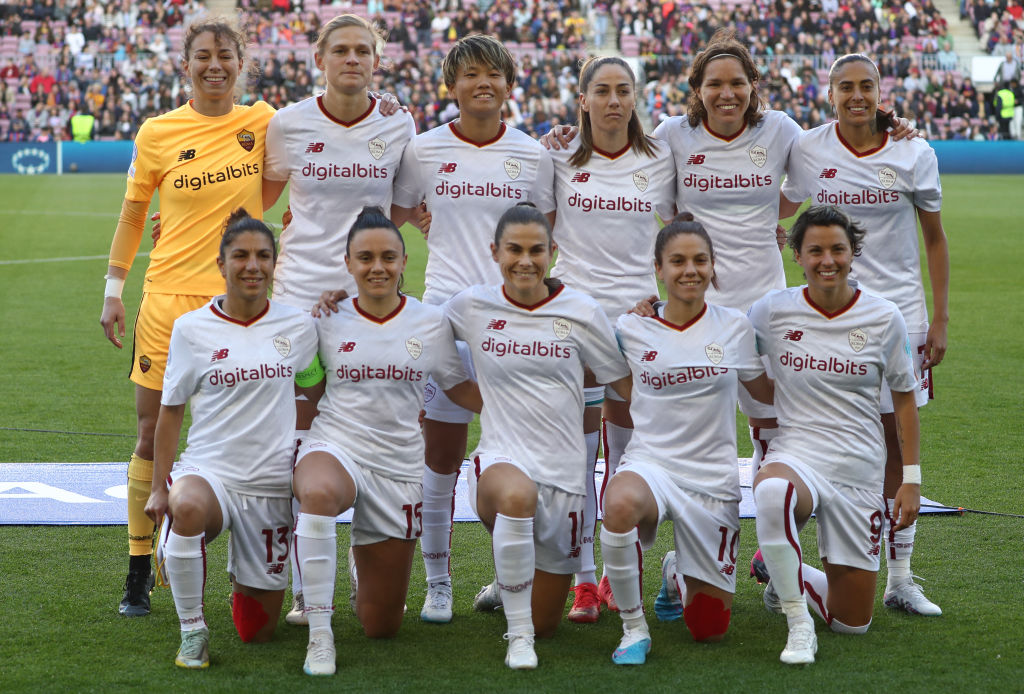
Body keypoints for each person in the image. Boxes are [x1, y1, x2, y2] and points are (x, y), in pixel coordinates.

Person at [99, 17, 275, 617]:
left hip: (240, 305)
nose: (215, 66)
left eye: (226, 56)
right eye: (203, 56)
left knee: (240, 434)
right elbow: (131, 215)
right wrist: (113, 288)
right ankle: (137, 567)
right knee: (151, 434)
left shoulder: (263, 122)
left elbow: (289, 177)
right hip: (167, 301)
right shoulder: (158, 132)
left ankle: (237, 559)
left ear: (242, 63)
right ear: (186, 65)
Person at [391, 34, 555, 624]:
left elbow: (546, 229)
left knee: (522, 454)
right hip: (444, 321)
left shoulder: (534, 153)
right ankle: (439, 582)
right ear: (451, 86)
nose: (482, 84)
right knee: (440, 456)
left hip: (515, 323)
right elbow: (395, 211)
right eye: (470, 75)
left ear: (510, 85)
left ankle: (508, 576)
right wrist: (421, 226)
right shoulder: (424, 149)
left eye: (494, 74)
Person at [260, 13, 417, 626]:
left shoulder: (398, 121)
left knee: (370, 419)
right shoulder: (289, 124)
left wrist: (358, 272)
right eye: (341, 50)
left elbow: (401, 208)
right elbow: (262, 198)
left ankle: (367, 556)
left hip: (365, 298)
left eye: (363, 51)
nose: (352, 60)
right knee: (297, 432)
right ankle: (303, 582)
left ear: (376, 60)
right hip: (299, 300)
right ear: (319, 58)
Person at [780, 53, 948, 617]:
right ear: (830, 94)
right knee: (823, 431)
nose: (857, 95)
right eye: (845, 86)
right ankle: (790, 564)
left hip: (899, 317)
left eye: (866, 85)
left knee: (897, 441)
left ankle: (899, 578)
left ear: (881, 91)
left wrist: (941, 318)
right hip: (826, 315)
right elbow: (773, 205)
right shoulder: (808, 147)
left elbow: (935, 240)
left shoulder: (913, 150)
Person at [292, 208, 481, 676]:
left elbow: (458, 389)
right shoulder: (326, 317)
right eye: (365, 258)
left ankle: (362, 567)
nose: (377, 267)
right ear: (348, 262)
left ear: (404, 260)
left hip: (398, 469)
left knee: (381, 626)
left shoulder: (431, 322)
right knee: (316, 493)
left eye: (387, 257)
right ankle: (319, 635)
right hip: (336, 446)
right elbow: (305, 384)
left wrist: (527, 408)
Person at [445, 204, 630, 668]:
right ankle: (518, 639)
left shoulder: (582, 311)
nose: (524, 261)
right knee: (517, 497)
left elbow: (622, 383)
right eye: (514, 250)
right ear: (495, 252)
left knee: (549, 623)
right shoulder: (471, 305)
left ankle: (508, 590)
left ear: (553, 252)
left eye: (535, 250)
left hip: (566, 476)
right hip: (502, 462)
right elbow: (412, 326)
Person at [144, 211, 318, 668]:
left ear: (275, 263)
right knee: (187, 507)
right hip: (212, 473)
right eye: (240, 255)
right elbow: (171, 411)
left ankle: (227, 569)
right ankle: (192, 630)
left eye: (263, 255)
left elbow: (313, 382)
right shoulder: (191, 328)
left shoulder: (297, 326)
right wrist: (160, 487)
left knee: (255, 633)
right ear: (221, 264)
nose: (252, 265)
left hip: (270, 487)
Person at [748, 205, 921, 665]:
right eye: (816, 250)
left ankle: (782, 571)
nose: (828, 260)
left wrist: (911, 478)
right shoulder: (772, 310)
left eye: (838, 249)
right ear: (797, 256)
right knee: (772, 493)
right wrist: (657, 308)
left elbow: (904, 398)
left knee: (852, 624)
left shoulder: (884, 317)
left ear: (853, 252)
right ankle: (797, 621)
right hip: (798, 453)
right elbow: (716, 331)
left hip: (859, 470)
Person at [601, 216, 772, 664]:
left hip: (712, 481)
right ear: (658, 268)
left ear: (714, 266)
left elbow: (767, 394)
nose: (689, 270)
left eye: (700, 260)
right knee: (618, 504)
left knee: (709, 631)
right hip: (651, 464)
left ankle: (676, 571)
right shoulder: (630, 327)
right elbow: (611, 384)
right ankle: (634, 630)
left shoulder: (734, 326)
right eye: (677, 261)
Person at [546, 56, 677, 622]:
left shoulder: (660, 156)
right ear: (583, 99)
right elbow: (531, 231)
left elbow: (681, 229)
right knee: (576, 458)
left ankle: (616, 575)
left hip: (635, 324)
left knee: (626, 457)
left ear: (635, 98)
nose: (614, 100)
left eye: (624, 90)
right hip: (573, 321)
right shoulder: (555, 155)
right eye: (602, 90)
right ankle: (580, 582)